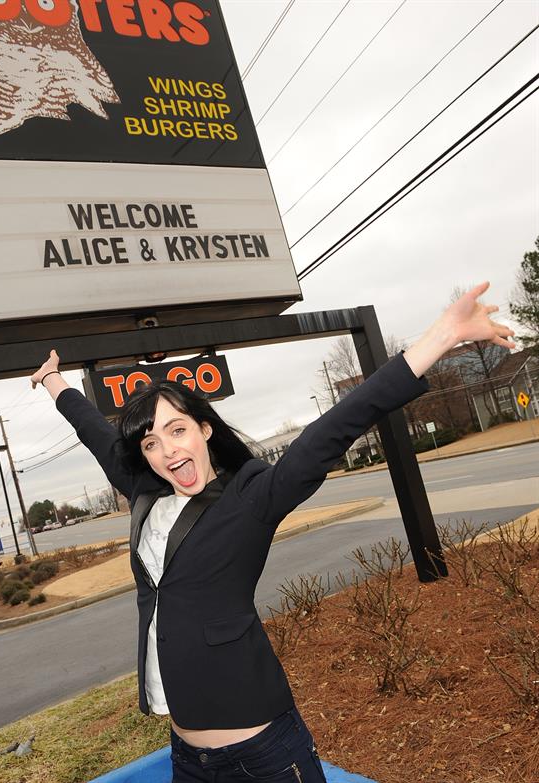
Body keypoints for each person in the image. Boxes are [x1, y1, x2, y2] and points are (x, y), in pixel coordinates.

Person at [31, 283, 514, 782]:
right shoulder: (147, 491)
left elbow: (334, 429)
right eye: (152, 443)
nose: (168, 451)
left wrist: (442, 335)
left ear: (205, 430)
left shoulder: (250, 495)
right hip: (188, 756)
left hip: (261, 753)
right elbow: (96, 431)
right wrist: (53, 382)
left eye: (178, 431)